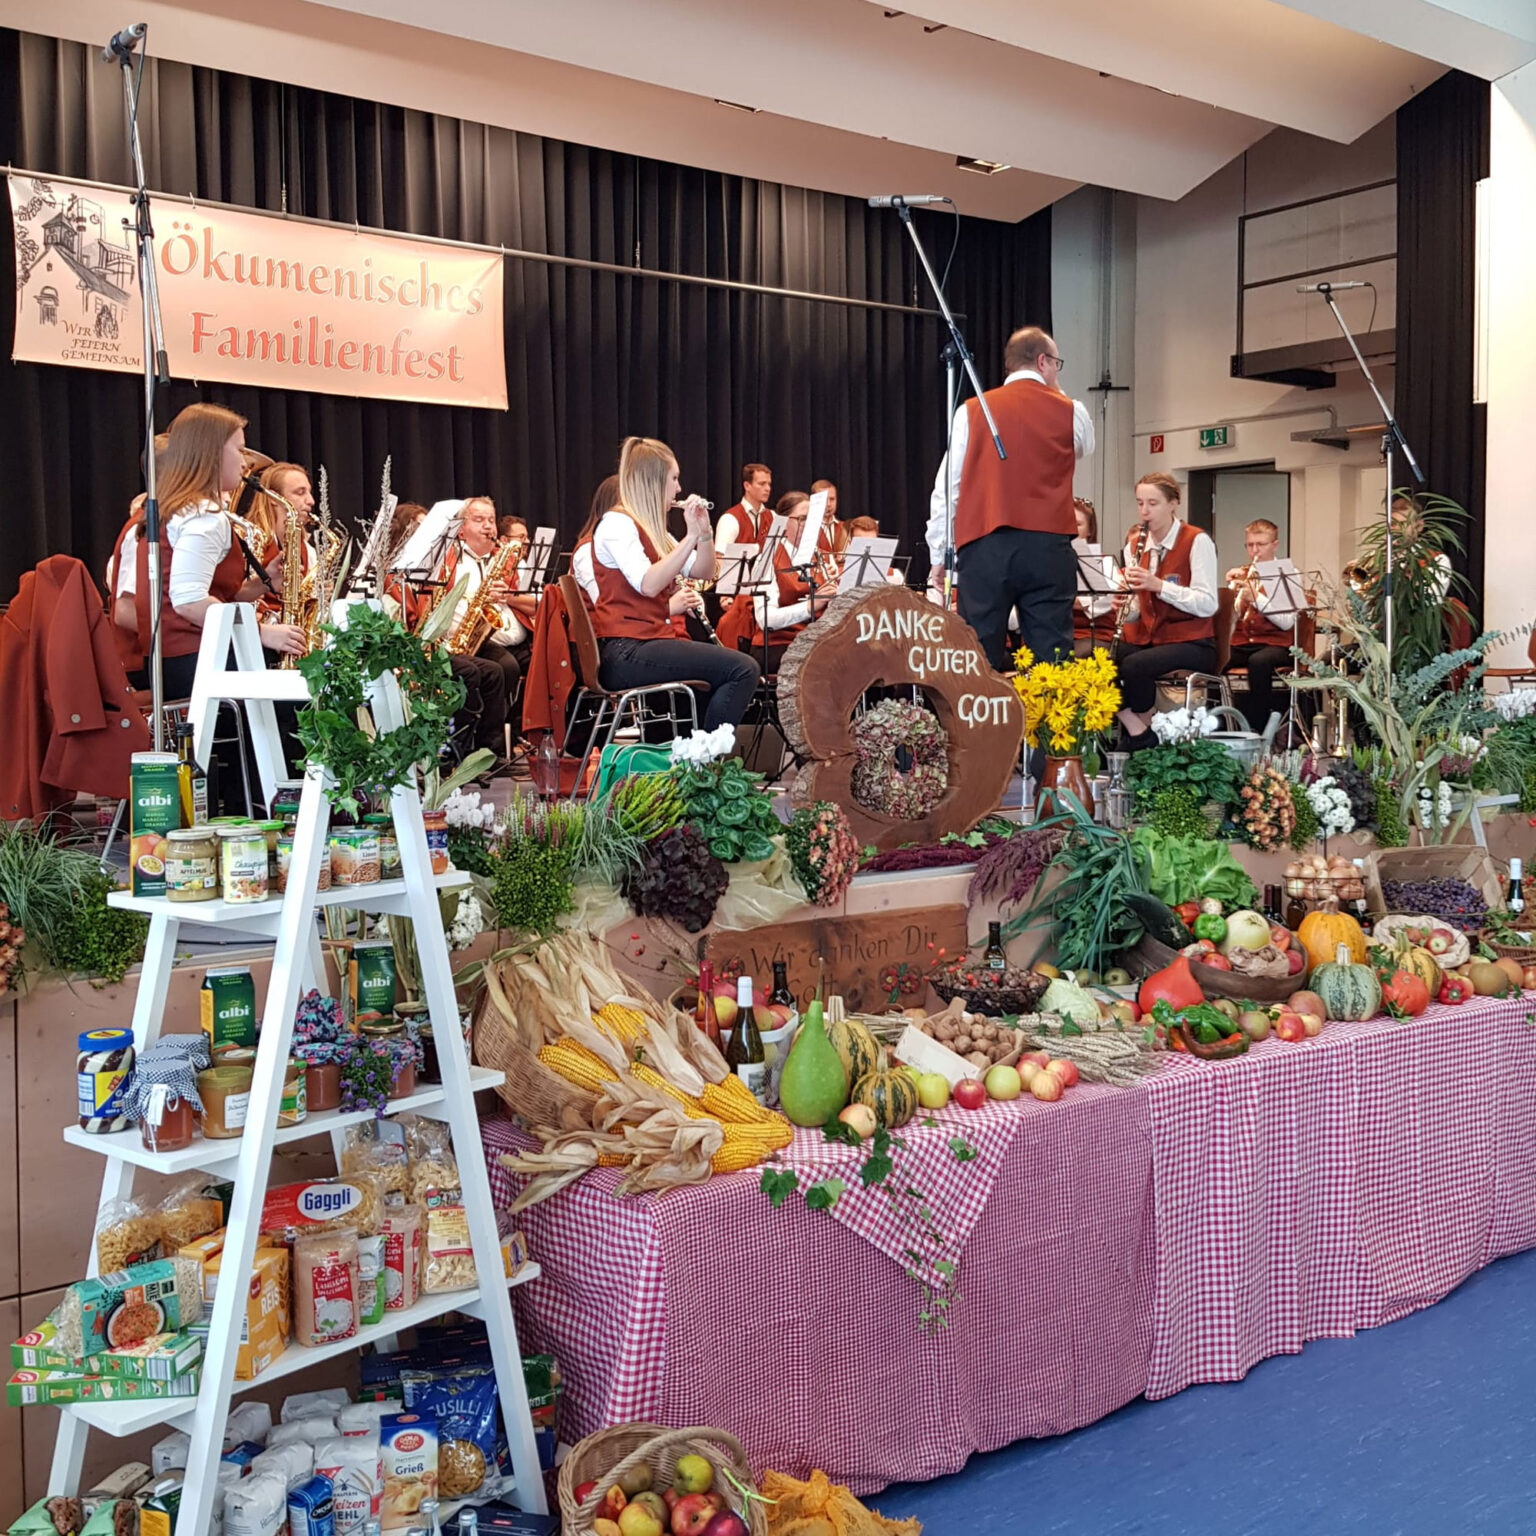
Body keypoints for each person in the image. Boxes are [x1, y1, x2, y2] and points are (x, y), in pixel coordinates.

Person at [925, 326, 1094, 672]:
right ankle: (1051, 709)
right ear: (1044, 361)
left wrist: (939, 554)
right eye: (1057, 364)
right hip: (1048, 548)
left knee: (977, 658)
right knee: (1052, 660)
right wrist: (1056, 391)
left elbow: (947, 489)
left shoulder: (971, 411)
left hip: (986, 547)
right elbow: (1085, 446)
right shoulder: (1071, 411)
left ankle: (978, 708)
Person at [134, 403, 303, 701]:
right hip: (198, 663)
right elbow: (189, 601)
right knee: (308, 700)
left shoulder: (178, 510)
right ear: (211, 454)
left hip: (174, 663)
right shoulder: (203, 516)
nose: (245, 463)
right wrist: (261, 632)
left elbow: (205, 593)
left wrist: (261, 584)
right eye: (239, 450)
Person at [588, 436, 760, 730]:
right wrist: (690, 537)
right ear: (654, 481)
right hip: (626, 650)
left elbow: (705, 571)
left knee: (725, 675)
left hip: (649, 642)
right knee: (743, 669)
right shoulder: (617, 524)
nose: (679, 488)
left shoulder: (654, 529)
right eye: (674, 478)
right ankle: (706, 755)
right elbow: (648, 584)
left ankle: (696, 751)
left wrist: (704, 532)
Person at [1113, 472, 1218, 748]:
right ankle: (1140, 730)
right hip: (1152, 639)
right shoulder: (1134, 547)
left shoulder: (1196, 541)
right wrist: (1125, 605)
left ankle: (1145, 731)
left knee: (1135, 666)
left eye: (1153, 503)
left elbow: (1208, 603)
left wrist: (1159, 586)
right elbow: (1141, 607)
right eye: (1140, 503)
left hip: (1194, 641)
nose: (1144, 511)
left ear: (1173, 504)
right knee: (1098, 659)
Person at [443, 497, 525, 743]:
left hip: (483, 637)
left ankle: (494, 738)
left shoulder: (500, 559)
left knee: (509, 667)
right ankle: (476, 739)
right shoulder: (451, 559)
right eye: (479, 520)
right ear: (461, 528)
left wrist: (507, 596)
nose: (488, 526)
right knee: (492, 670)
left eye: (491, 520)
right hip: (454, 638)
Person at [744, 491, 840, 675]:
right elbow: (765, 619)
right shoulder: (768, 559)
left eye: (812, 519)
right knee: (826, 666)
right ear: (783, 522)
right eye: (802, 519)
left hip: (817, 642)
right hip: (778, 644)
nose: (809, 525)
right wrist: (810, 606)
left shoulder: (822, 557)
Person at [1226, 518, 1297, 734]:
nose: (1254, 551)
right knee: (1215, 657)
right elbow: (1231, 621)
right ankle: (1219, 723)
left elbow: (1287, 621)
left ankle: (1258, 729)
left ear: (1275, 545)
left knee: (1259, 662)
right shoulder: (1243, 573)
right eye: (1250, 545)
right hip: (1244, 642)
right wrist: (1230, 597)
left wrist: (1257, 598)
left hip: (1277, 645)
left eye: (1261, 544)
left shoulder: (1287, 574)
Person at [1071, 498, 1115, 658]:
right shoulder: (1048, 562)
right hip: (1058, 633)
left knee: (1072, 658)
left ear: (1090, 530)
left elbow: (1102, 602)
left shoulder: (1105, 562)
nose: (1070, 530)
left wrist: (1062, 599)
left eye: (1077, 524)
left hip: (1094, 635)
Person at [714, 463, 774, 550]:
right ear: (747, 486)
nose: (768, 488)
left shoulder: (772, 516)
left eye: (769, 484)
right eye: (762, 484)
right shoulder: (730, 519)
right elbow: (720, 556)